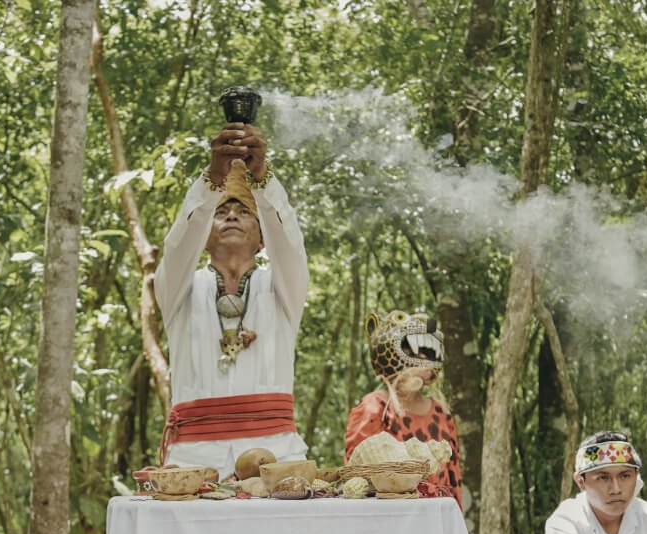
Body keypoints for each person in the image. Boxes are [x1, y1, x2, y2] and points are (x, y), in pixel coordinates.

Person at [153, 120, 309, 478]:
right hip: (191, 465)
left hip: (279, 460)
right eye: (221, 213)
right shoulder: (179, 288)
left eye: (244, 212)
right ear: (204, 236)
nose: (233, 216)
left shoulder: (284, 287)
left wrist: (264, 179)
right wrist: (212, 179)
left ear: (263, 238)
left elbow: (291, 245)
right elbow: (177, 247)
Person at [344, 310, 463, 505]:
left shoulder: (441, 412)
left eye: (424, 352)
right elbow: (358, 474)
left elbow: (453, 476)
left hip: (434, 514)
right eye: (410, 351)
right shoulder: (374, 407)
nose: (420, 358)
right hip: (391, 515)